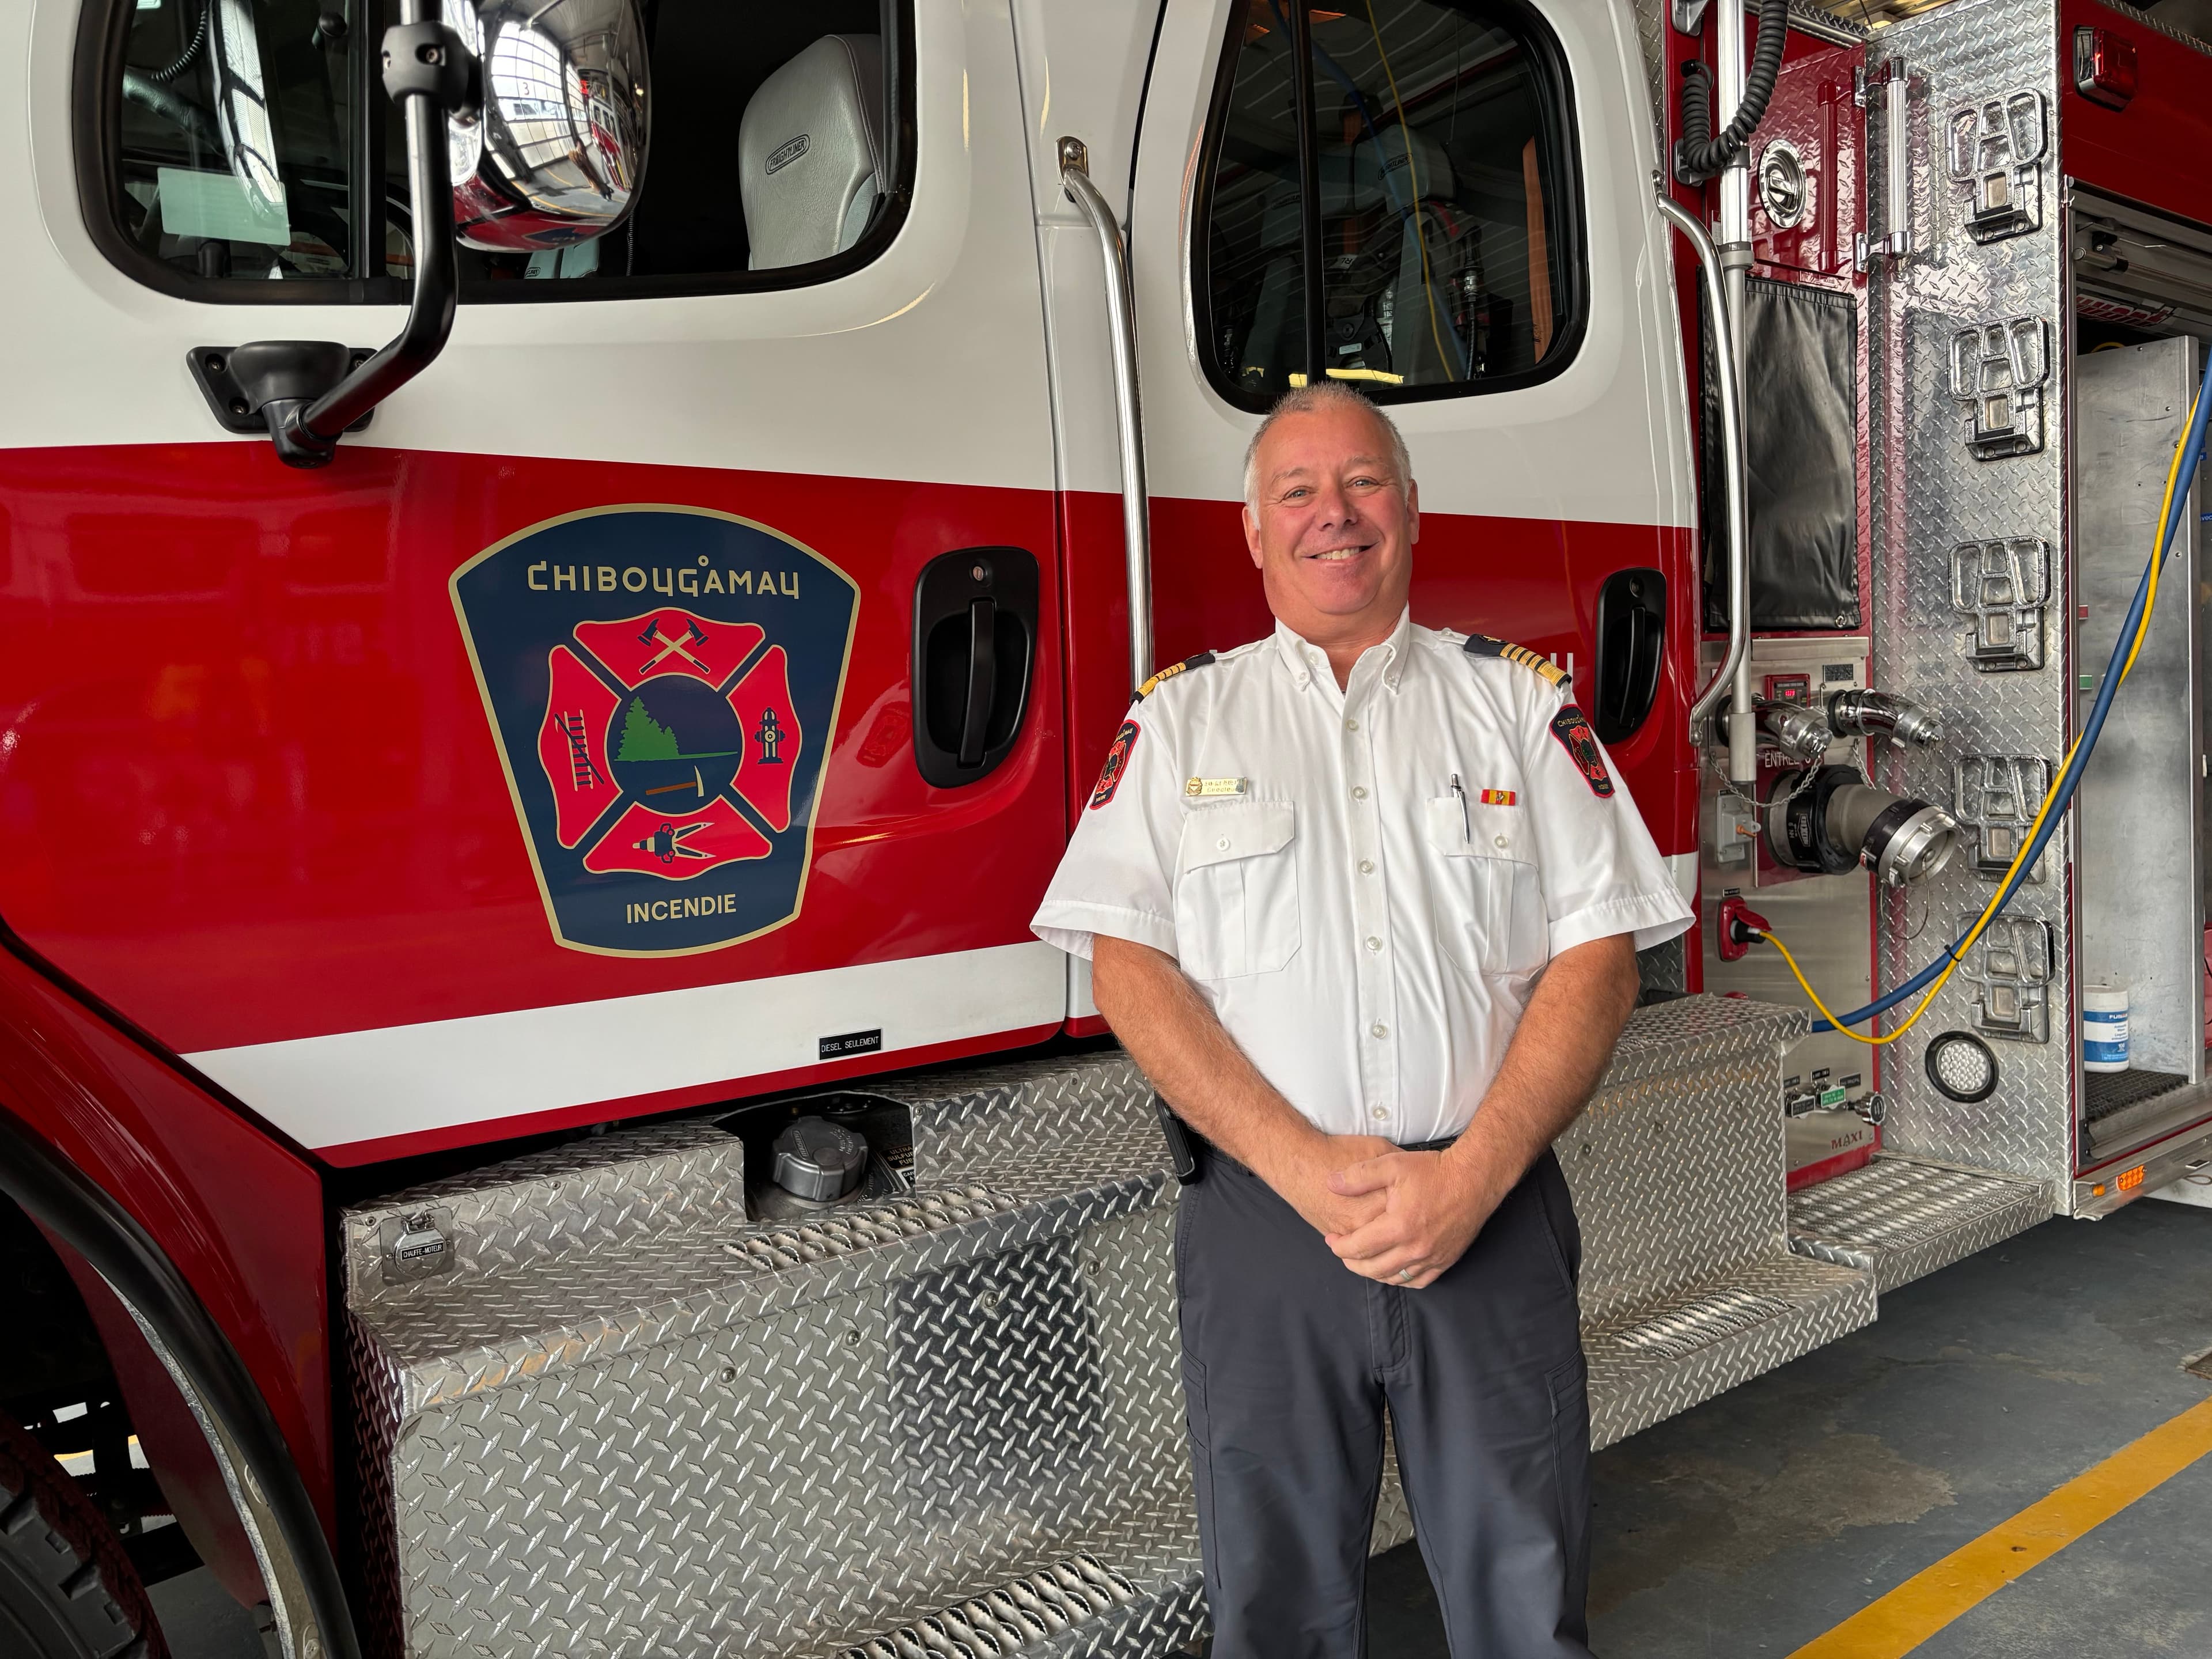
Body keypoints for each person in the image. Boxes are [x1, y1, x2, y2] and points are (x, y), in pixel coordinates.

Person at [1030, 382, 1695, 1657]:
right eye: (1297, 491)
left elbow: (1601, 957)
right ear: (1254, 531)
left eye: (1363, 483)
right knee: (1273, 1601)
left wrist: (1472, 1179)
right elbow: (1131, 972)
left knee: (1524, 1595)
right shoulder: (1180, 720)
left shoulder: (1519, 706)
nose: (1333, 514)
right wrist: (1301, 1168)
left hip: (1487, 1211)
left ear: (1412, 509)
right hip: (1266, 1225)